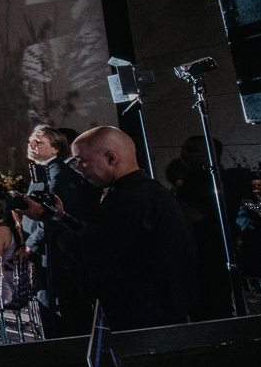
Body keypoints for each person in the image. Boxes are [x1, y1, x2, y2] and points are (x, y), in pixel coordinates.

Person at [22, 126, 198, 331]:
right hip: (152, 312)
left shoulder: (128, 200)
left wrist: (47, 218)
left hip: (144, 319)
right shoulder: (145, 190)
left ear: (111, 158)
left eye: (82, 161)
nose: (78, 168)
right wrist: (62, 217)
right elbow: (102, 235)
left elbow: (87, 250)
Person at [17, 123, 98, 338]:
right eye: (30, 142)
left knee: (60, 311)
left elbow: (51, 216)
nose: (31, 145)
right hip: (45, 254)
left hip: (56, 255)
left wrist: (30, 246)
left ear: (55, 149)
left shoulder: (59, 175)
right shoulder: (43, 173)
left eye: (38, 142)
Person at [172, 135, 236, 321]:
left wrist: (169, 202)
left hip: (208, 253)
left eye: (192, 150)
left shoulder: (207, 179)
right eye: (183, 148)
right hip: (209, 252)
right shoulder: (205, 177)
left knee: (209, 308)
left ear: (210, 154)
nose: (183, 154)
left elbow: (197, 214)